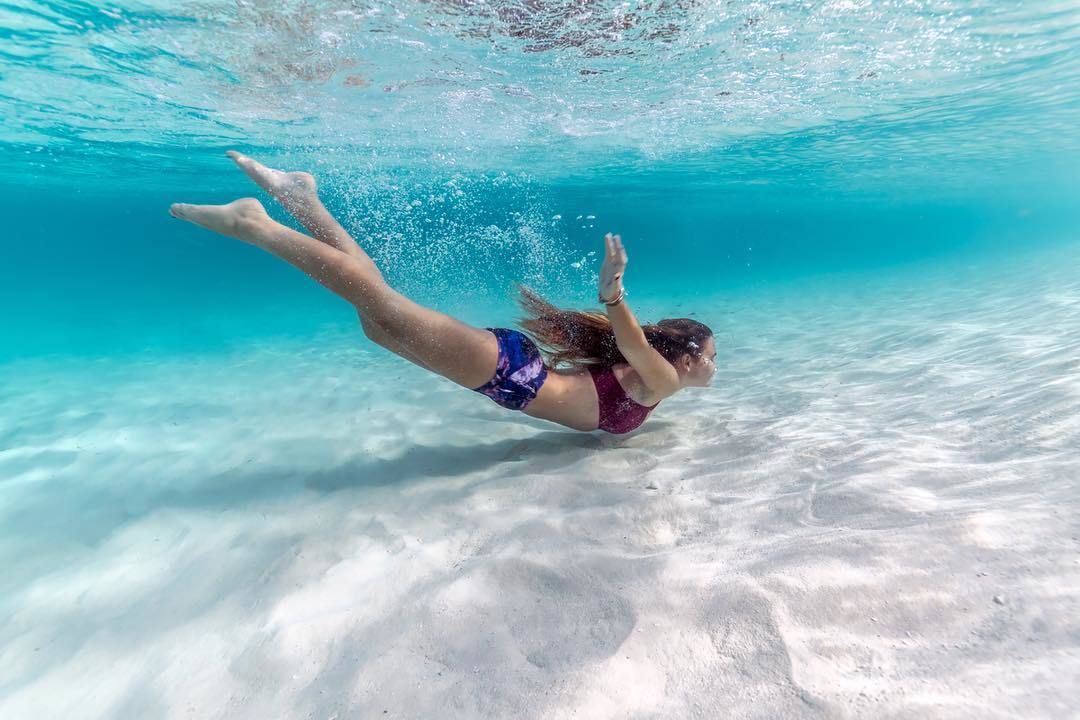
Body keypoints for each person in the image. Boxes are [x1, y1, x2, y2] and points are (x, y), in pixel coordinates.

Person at [170, 152, 716, 434]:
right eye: (712, 356)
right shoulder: (662, 381)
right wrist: (613, 296)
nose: (715, 366)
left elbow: (631, 353)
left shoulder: (650, 383)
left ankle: (303, 199)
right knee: (380, 306)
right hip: (512, 374)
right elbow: (635, 343)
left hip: (510, 376)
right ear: (687, 358)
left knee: (376, 316)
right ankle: (258, 226)